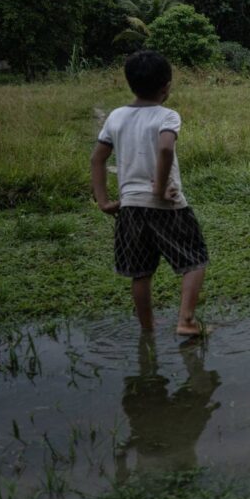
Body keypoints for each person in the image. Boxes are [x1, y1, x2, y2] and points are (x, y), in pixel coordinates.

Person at [90, 50, 209, 336]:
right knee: (194, 259)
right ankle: (186, 320)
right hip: (167, 204)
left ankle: (147, 330)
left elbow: (97, 159)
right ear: (166, 86)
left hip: (130, 206)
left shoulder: (117, 116)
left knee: (140, 272)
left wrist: (104, 200)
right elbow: (166, 148)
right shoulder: (167, 115)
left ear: (130, 83)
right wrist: (158, 187)